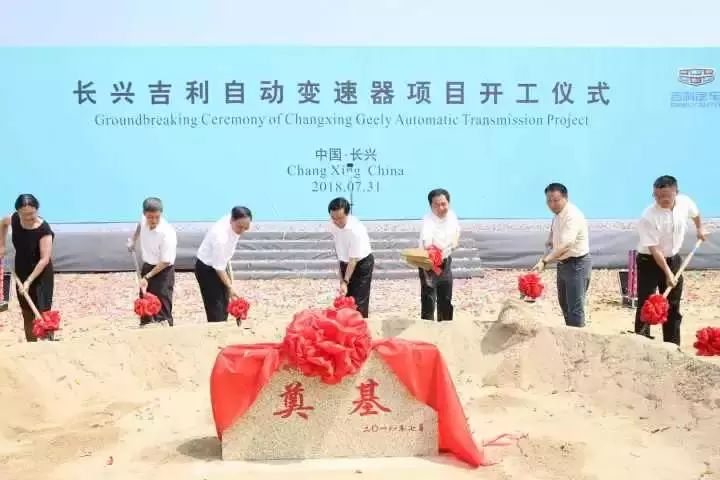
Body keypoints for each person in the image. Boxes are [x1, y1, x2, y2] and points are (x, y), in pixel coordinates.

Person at [634, 175, 706, 345]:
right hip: (649, 261)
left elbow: (695, 214)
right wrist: (668, 273)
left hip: (673, 258)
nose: (661, 200)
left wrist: (700, 228)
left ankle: (672, 345)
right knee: (647, 303)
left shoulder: (685, 203)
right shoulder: (648, 216)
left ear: (676, 192)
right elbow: (654, 249)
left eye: (666, 196)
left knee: (672, 304)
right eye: (657, 196)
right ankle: (641, 343)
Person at [533, 183, 591, 328]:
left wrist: (545, 261)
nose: (552, 204)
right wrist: (542, 259)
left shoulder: (572, 215)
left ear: (565, 197)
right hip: (563, 264)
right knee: (564, 304)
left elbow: (566, 244)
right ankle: (569, 333)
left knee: (575, 307)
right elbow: (551, 240)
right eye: (549, 201)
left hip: (577, 264)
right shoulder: (557, 216)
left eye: (556, 200)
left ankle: (577, 336)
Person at [0, 194, 55, 341]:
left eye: (32, 213)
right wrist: (2, 245)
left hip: (41, 272)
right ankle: (31, 344)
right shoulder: (14, 219)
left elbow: (44, 259)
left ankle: (48, 342)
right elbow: (2, 224)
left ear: (37, 209)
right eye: (24, 214)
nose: (29, 217)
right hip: (22, 268)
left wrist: (29, 281)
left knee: (43, 310)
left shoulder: (44, 229)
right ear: (18, 212)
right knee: (26, 311)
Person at [195, 206, 252, 322]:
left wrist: (229, 287)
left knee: (225, 303)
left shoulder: (237, 220)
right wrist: (230, 287)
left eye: (246, 227)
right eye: (240, 227)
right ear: (231, 220)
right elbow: (219, 267)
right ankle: (216, 329)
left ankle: (222, 324)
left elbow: (223, 262)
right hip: (207, 268)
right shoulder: (221, 237)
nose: (242, 230)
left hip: (220, 264)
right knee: (216, 306)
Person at [127, 197, 178, 326]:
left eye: (157, 217)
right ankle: (146, 327)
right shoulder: (143, 219)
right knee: (145, 302)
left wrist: (147, 277)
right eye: (150, 217)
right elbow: (140, 225)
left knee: (162, 304)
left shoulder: (167, 233)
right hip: (147, 266)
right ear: (144, 214)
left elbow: (165, 261)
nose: (154, 220)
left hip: (163, 271)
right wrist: (134, 240)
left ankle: (165, 328)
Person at [328, 197, 374, 318]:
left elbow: (353, 260)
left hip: (362, 263)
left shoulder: (356, 230)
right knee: (345, 299)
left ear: (347, 214)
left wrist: (345, 281)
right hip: (345, 261)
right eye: (333, 218)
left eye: (340, 218)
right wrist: (341, 280)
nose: (336, 221)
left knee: (358, 302)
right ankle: (347, 326)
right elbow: (339, 252)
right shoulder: (332, 224)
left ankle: (360, 324)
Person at [419, 188, 460, 321]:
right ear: (430, 206)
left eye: (443, 204)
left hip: (445, 259)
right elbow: (427, 244)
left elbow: (457, 231)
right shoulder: (428, 221)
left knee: (446, 296)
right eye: (436, 205)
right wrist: (434, 264)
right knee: (429, 297)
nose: (440, 208)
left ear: (448, 203)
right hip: (428, 262)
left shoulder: (452, 216)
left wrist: (454, 242)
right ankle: (427, 326)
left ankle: (446, 326)